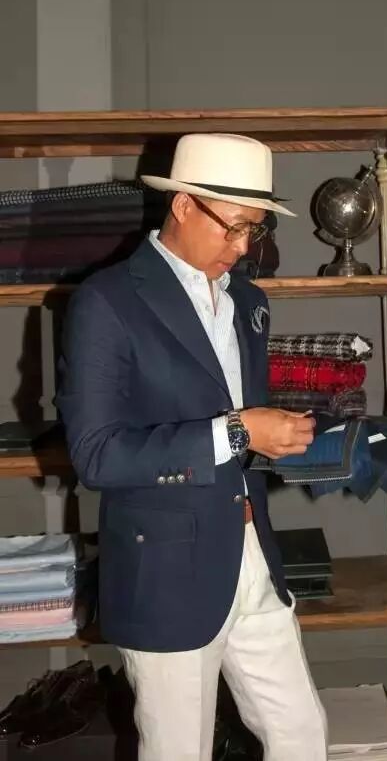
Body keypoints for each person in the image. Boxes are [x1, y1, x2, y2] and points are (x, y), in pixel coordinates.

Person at [56, 133, 328, 761]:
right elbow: (97, 455)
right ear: (182, 205)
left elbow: (239, 429)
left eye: (254, 229)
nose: (243, 247)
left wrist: (278, 438)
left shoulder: (249, 301)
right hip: (166, 572)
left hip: (252, 555)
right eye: (234, 227)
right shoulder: (106, 302)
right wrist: (238, 432)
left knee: (303, 735)